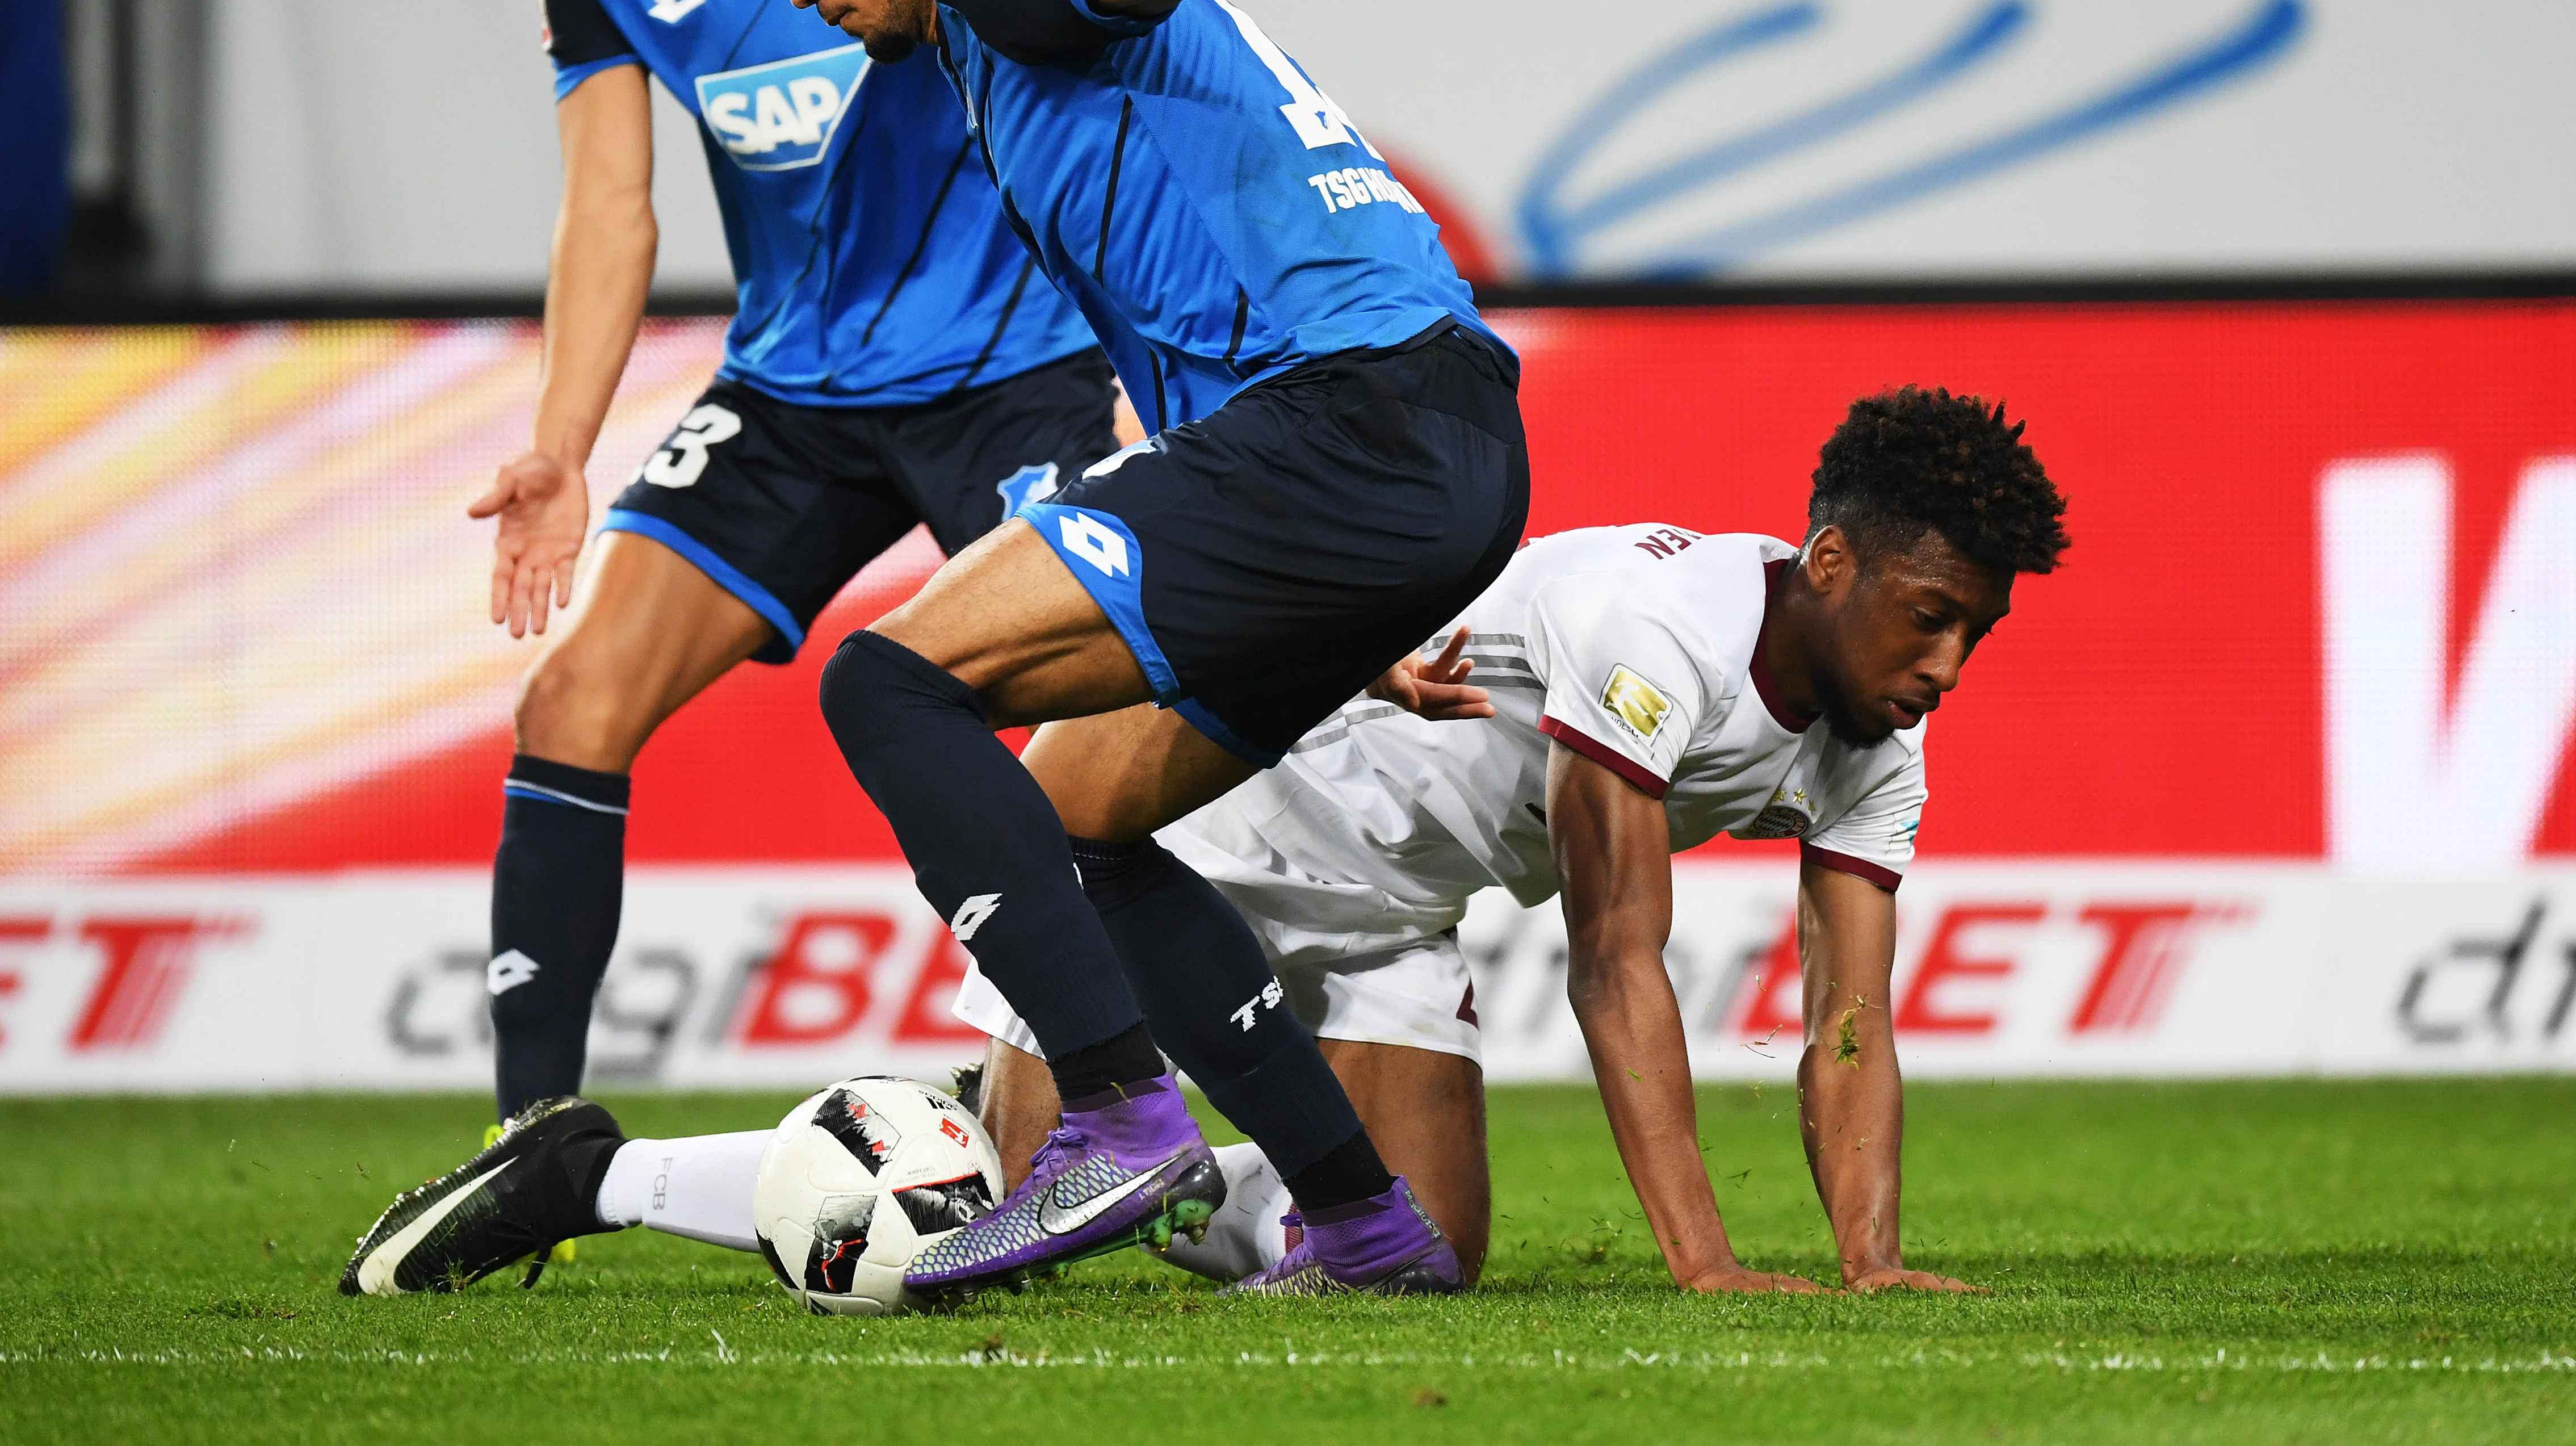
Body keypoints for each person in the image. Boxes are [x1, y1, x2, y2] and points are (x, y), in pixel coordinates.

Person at [345, 0, 1529, 1302]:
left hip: (1350, 421)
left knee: (886, 677)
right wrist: (1339, 612)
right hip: (1418, 453)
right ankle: (1367, 1228)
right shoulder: (1004, 62)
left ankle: (1116, 1111)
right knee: (1085, 808)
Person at [338, 387, 2067, 1301]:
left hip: (1398, 911)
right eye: (1931, 619)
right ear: (1830, 561)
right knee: (980, 1224)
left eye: (1975, 633)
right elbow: (1616, 954)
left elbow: (1854, 1021)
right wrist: (1705, 1260)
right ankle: (598, 1176)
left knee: (1427, 1257)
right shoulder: (1664, 631)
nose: (1946, 666)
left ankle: (1219, 1202)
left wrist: (1868, 1255)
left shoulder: (1878, 743)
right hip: (1209, 813)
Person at [472, 0, 1125, 1155]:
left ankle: (1097, 1108)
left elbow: (1081, 78)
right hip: (797, 392)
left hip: (1013, 370)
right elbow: (611, 208)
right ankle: (531, 1141)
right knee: (574, 705)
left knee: (1103, 728)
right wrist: (562, 443)